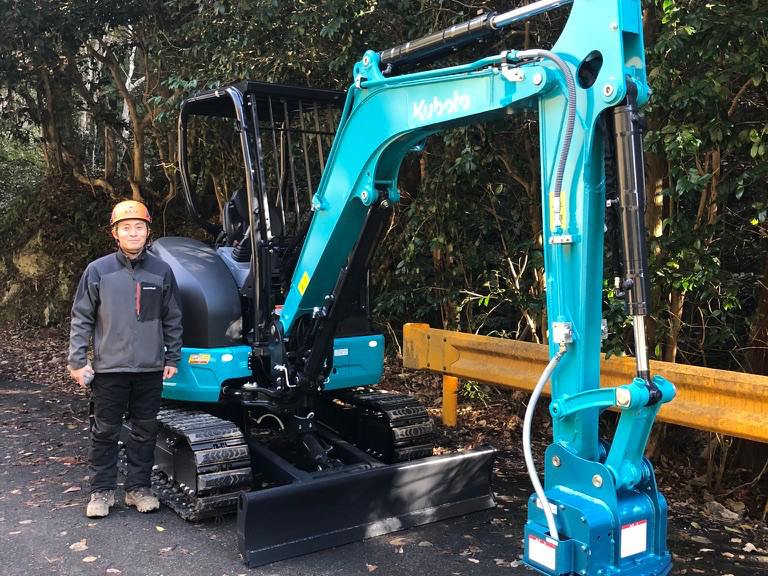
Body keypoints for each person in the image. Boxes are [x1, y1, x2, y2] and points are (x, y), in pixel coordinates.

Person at [68, 200, 183, 518]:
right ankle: (102, 492)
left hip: (150, 368)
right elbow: (81, 317)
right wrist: (77, 361)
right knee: (105, 431)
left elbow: (172, 317)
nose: (133, 232)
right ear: (115, 233)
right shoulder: (98, 270)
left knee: (145, 431)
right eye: (126, 227)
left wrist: (172, 357)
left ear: (148, 232)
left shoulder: (162, 271)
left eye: (139, 227)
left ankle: (138, 489)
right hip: (109, 369)